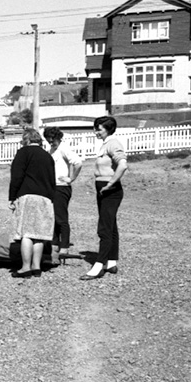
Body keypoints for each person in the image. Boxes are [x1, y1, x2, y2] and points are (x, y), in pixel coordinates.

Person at [81, 116, 128, 281]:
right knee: (111, 226)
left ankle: (99, 265)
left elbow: (123, 164)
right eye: (95, 128)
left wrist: (110, 183)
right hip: (104, 188)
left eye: (99, 129)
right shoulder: (106, 144)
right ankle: (111, 262)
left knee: (104, 228)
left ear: (108, 129)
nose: (96, 132)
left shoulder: (113, 144)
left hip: (110, 190)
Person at [8, 128, 56, 278]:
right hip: (45, 198)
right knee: (38, 234)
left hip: (28, 196)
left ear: (26, 140)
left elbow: (17, 176)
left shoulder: (23, 153)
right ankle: (37, 267)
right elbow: (52, 180)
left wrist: (12, 197)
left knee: (26, 233)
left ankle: (25, 267)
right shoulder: (48, 156)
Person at [43, 127, 83, 260]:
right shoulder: (52, 150)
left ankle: (64, 245)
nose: (51, 142)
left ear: (58, 138)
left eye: (53, 140)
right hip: (53, 186)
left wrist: (71, 178)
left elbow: (78, 163)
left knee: (61, 217)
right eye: (49, 141)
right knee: (53, 216)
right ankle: (55, 243)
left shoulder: (64, 148)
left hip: (62, 187)